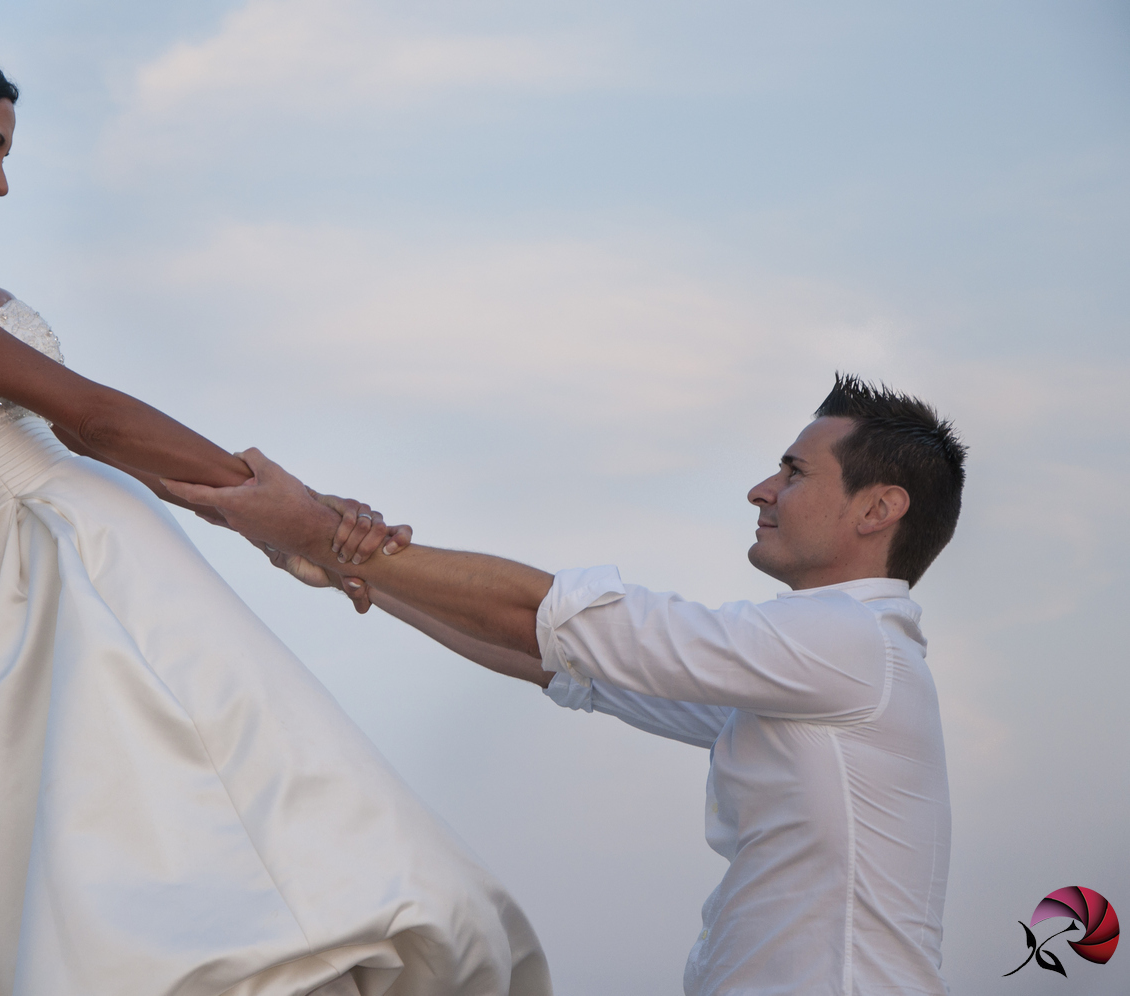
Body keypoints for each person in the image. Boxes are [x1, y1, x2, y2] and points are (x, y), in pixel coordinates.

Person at [0, 29, 549, 996]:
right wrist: (298, 505)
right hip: (61, 579)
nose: (1, 180)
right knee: (207, 879)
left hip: (93, 557)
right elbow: (95, 418)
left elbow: (92, 438)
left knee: (214, 863)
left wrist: (262, 526)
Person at [166, 375, 966, 996]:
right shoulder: (813, 665)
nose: (762, 490)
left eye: (793, 472)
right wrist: (343, 563)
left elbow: (551, 618)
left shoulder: (849, 642)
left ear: (879, 509)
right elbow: (554, 658)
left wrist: (320, 527)